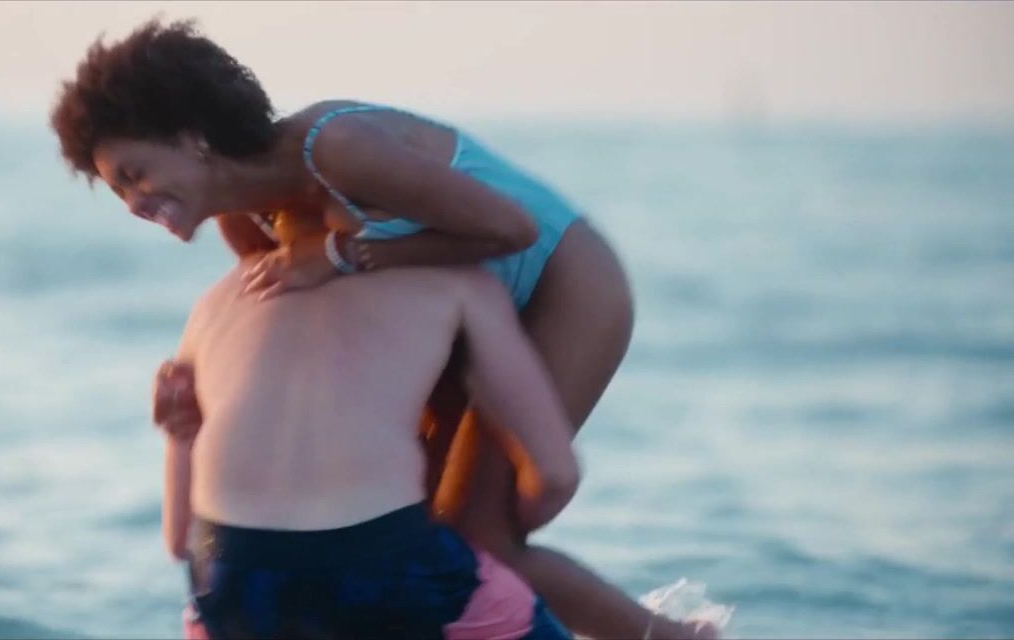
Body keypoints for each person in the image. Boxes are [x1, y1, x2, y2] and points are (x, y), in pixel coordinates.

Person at [52, 17, 708, 639]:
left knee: (480, 539)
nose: (133, 203)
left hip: (560, 280)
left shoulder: (335, 148)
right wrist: (190, 427)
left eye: (135, 174)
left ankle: (671, 637)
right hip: (468, 305)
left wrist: (340, 254)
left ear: (193, 135)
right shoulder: (243, 221)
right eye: (118, 190)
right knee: (413, 528)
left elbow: (511, 229)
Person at [160, 210, 578, 638]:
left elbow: (178, 539)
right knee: (487, 604)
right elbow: (555, 476)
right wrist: (497, 530)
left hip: (231, 582)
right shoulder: (459, 283)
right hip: (386, 565)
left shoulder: (214, 303)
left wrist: (181, 434)